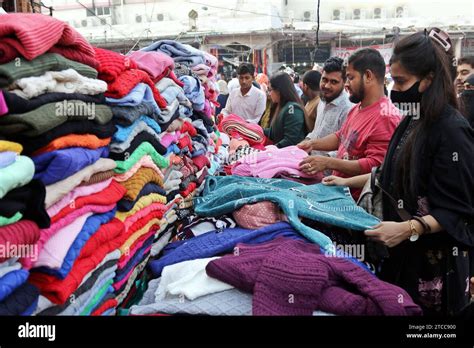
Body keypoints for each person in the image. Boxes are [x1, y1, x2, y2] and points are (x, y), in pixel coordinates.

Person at [323, 29, 474, 316]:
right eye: (394, 80)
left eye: (402, 81)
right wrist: (344, 180)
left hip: (432, 268)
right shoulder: (412, 121)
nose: (395, 89)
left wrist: (407, 229)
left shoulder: (451, 131)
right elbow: (386, 173)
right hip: (400, 255)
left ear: (429, 79)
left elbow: (460, 210)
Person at [298, 49, 401, 200]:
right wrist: (313, 144)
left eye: (350, 78)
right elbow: (342, 137)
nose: (346, 84)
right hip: (338, 193)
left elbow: (375, 167)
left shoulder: (385, 117)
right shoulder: (357, 108)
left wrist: (328, 162)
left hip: (357, 202)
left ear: (368, 76)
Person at [303, 57, 353, 159]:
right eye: (324, 80)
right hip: (311, 165)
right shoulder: (322, 100)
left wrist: (325, 160)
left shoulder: (348, 109)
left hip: (330, 171)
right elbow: (316, 132)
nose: (327, 86)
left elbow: (346, 148)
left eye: (334, 82)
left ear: (344, 82)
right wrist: (305, 143)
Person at [263, 72, 307, 148]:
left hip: (291, 156)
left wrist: (272, 150)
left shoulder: (292, 109)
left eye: (270, 90)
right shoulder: (282, 106)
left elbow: (290, 140)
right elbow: (273, 132)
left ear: (279, 91)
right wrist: (255, 129)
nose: (269, 94)